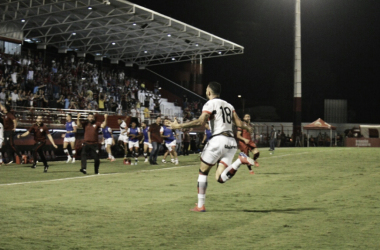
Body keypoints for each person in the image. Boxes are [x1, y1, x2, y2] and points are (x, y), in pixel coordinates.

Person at [169, 81, 254, 212]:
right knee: (220, 178)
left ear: (209, 92)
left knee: (203, 171)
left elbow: (200, 121)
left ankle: (200, 205)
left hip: (218, 140)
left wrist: (178, 126)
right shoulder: (229, 105)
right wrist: (247, 127)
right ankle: (239, 160)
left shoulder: (210, 103)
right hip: (231, 143)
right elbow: (238, 122)